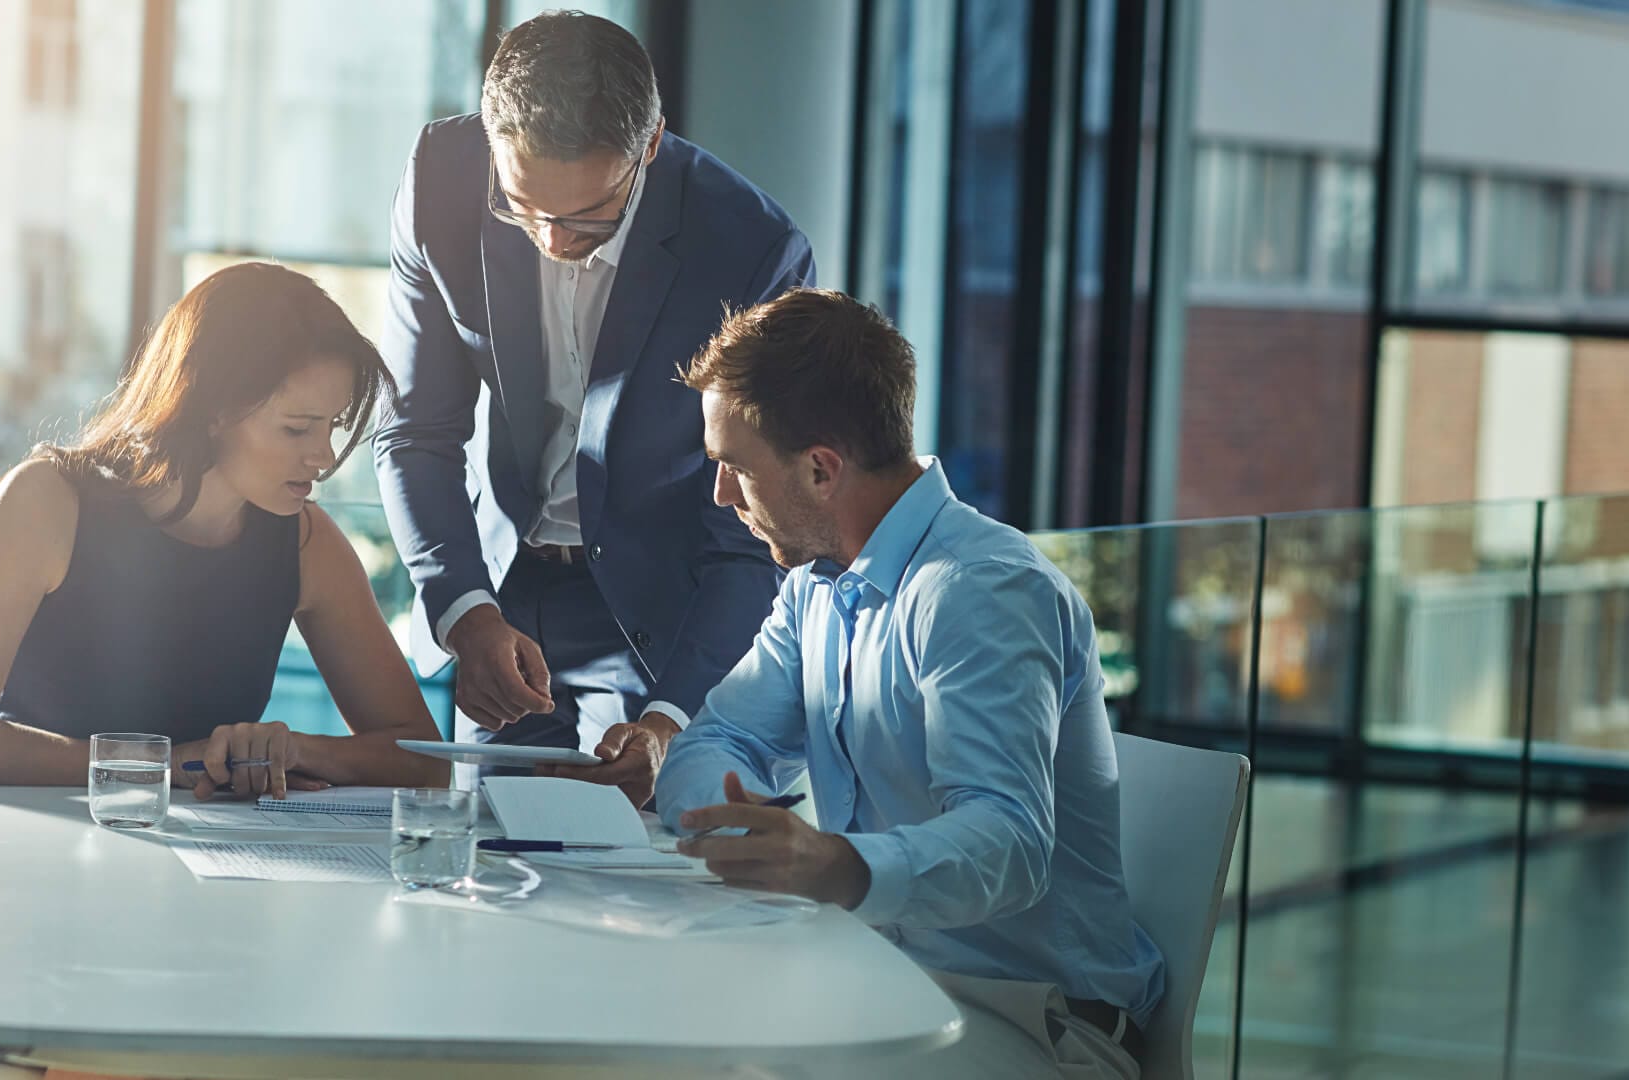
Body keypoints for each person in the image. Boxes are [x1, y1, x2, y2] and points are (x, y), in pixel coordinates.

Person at [654, 289, 1165, 1079]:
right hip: (881, 984)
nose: (723, 498)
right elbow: (721, 738)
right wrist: (724, 816)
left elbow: (1011, 839)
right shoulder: (818, 585)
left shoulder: (980, 591)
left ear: (821, 469)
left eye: (735, 470)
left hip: (1033, 1024)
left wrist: (839, 866)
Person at [374, 10, 810, 805]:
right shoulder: (442, 175)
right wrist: (464, 610)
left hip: (667, 614)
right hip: (501, 594)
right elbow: (414, 431)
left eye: (588, 216)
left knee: (651, 872)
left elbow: (748, 523)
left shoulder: (749, 248)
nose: (551, 238)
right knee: (496, 860)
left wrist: (674, 720)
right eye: (522, 206)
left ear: (649, 147)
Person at [0, 261, 449, 796]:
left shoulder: (305, 540)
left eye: (334, 425)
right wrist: (157, 766)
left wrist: (294, 750)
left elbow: (426, 764)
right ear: (215, 409)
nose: (324, 456)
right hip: (26, 846)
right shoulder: (48, 501)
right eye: (297, 429)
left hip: (189, 861)